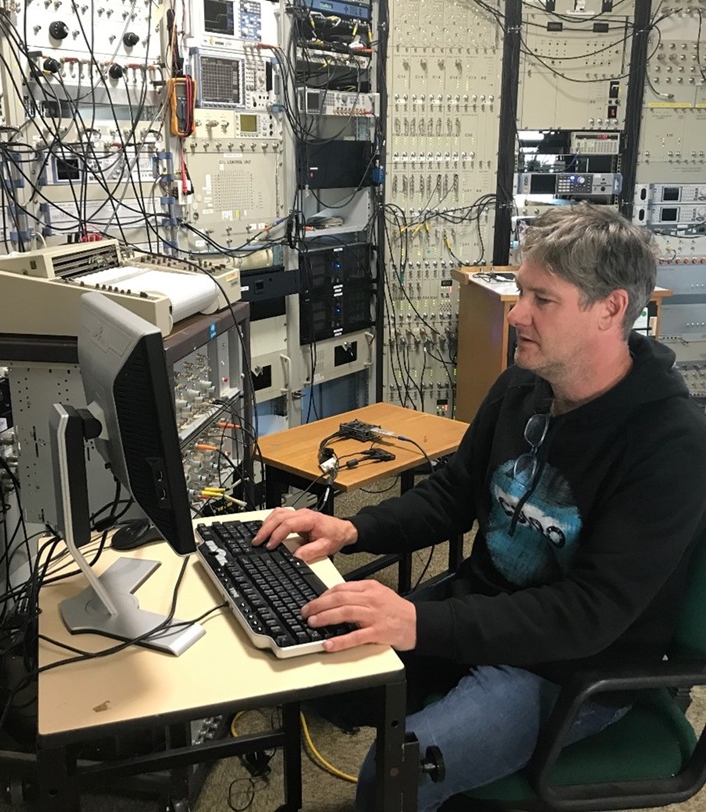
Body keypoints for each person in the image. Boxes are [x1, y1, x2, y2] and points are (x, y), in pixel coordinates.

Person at [253, 203, 706, 811]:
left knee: (393, 771)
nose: (517, 314)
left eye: (542, 300)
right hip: (482, 612)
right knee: (320, 676)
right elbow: (453, 494)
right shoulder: (524, 384)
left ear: (611, 308)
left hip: (567, 671)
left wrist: (423, 625)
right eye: (521, 292)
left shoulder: (671, 443)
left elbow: (587, 614)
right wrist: (351, 527)